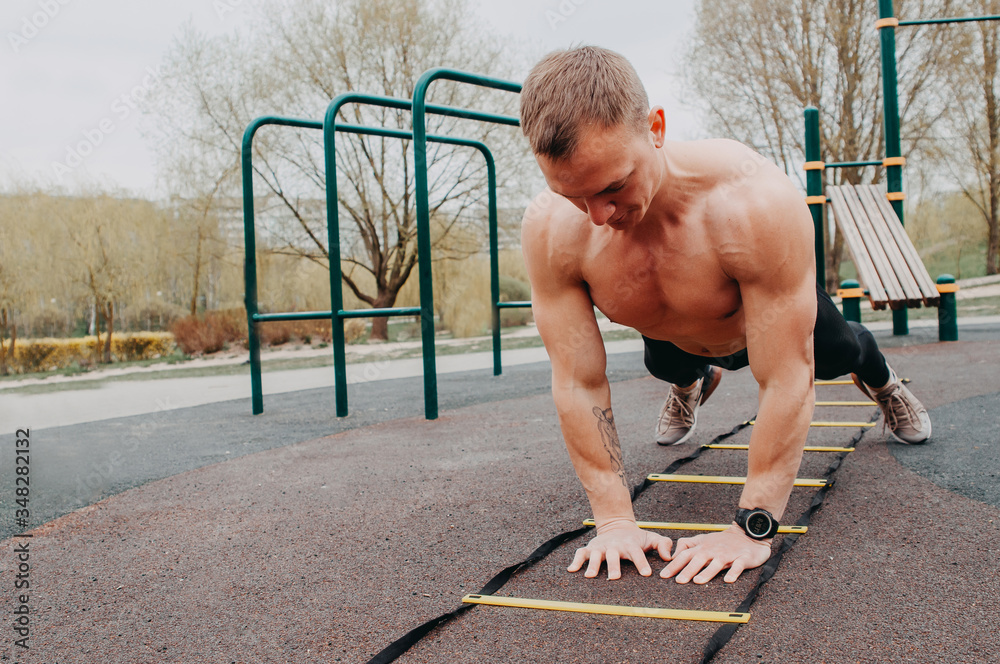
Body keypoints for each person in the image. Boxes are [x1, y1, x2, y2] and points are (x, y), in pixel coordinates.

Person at [518, 45, 931, 586]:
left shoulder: (752, 202)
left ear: (656, 128)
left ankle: (885, 383)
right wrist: (615, 521)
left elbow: (785, 377)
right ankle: (692, 382)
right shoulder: (550, 230)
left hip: (758, 325)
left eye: (614, 186)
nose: (598, 216)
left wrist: (751, 527)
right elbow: (577, 381)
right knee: (666, 365)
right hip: (673, 334)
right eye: (572, 194)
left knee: (843, 350)